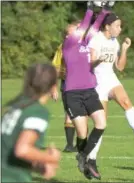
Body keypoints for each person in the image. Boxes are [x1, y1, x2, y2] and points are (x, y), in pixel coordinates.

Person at [87, 13, 134, 163]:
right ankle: (91, 159)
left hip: (110, 78)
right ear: (107, 26)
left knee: (126, 102)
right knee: (101, 123)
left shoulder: (115, 42)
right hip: (97, 83)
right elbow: (90, 64)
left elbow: (120, 67)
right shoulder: (96, 39)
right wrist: (98, 61)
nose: (120, 29)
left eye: (120, 26)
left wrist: (124, 49)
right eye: (117, 26)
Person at [62, 1, 113, 180]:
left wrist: (106, 9)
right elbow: (86, 24)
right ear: (68, 35)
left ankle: (84, 157)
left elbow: (96, 25)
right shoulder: (68, 45)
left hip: (90, 90)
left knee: (101, 123)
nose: (79, 29)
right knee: (82, 134)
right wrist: (90, 8)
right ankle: (84, 161)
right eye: (75, 28)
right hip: (73, 94)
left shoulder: (86, 41)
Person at [1, 63, 61, 182]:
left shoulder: (13, 107)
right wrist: (50, 158)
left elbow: (9, 150)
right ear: (54, 86)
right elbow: (22, 150)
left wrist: (38, 167)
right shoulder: (37, 111)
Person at [51, 23, 81, 152]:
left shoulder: (85, 46)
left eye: (73, 32)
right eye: (68, 33)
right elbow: (55, 68)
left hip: (84, 84)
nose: (70, 35)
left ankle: (79, 144)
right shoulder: (62, 48)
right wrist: (53, 87)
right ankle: (70, 145)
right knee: (70, 112)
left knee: (81, 113)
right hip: (68, 83)